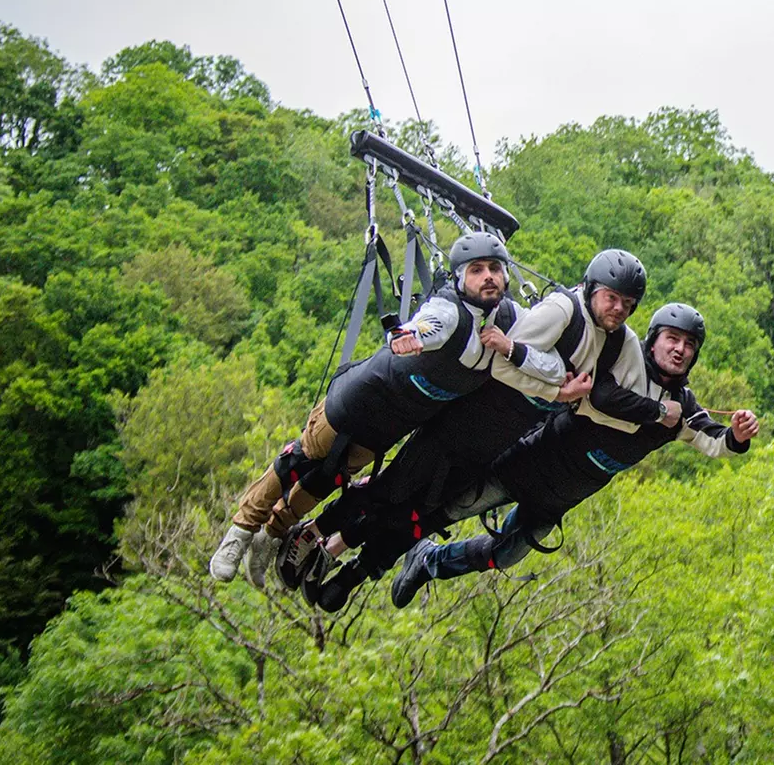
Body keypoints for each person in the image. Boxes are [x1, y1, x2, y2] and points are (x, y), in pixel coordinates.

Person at [277, 249, 671, 604]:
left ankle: (339, 556)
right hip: (468, 421)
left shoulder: (617, 340)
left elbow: (610, 390)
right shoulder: (562, 310)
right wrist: (557, 393)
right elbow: (501, 364)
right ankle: (314, 535)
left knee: (418, 511)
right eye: (611, 298)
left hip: (500, 439)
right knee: (392, 490)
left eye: (628, 304)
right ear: (591, 288)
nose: (618, 308)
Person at [207, 232, 571, 585]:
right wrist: (408, 336)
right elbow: (427, 325)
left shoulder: (510, 319)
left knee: (328, 478)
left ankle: (272, 534)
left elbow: (549, 361)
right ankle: (240, 532)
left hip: (393, 423)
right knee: (301, 460)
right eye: (476, 270)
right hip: (361, 400)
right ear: (460, 278)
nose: (488, 276)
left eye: (495, 268)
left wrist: (514, 349)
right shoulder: (447, 311)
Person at [382, 302, 759, 609]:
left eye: (689, 344)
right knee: (447, 510)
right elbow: (601, 397)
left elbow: (715, 442)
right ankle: (369, 540)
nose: (679, 349)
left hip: (561, 497)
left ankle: (429, 562)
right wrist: (658, 413)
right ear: (653, 341)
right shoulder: (623, 367)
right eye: (672, 339)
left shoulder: (684, 406)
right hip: (526, 464)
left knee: (506, 555)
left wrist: (737, 435)